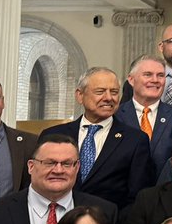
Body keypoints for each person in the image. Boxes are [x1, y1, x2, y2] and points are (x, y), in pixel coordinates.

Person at [39, 66, 155, 211]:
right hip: (56, 223)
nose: (108, 98)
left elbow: (137, 198)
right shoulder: (52, 136)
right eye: (100, 91)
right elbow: (37, 185)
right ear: (80, 95)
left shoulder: (135, 140)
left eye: (114, 92)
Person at [116, 55, 172, 181]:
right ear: (131, 79)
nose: (155, 80)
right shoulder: (115, 116)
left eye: (160, 75)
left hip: (166, 194)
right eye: (148, 74)